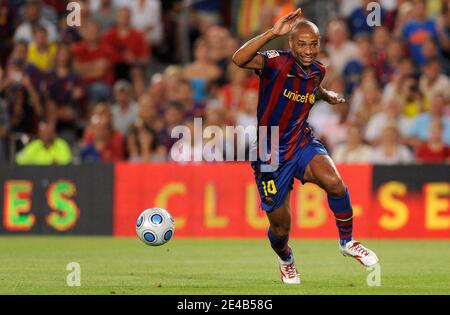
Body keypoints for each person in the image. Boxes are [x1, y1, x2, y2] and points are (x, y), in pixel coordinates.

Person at [232, 8, 378, 285]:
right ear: (291, 44)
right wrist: (272, 33)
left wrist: (327, 95)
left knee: (335, 183)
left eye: (313, 44)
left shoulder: (318, 70)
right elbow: (238, 59)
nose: (308, 50)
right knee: (281, 227)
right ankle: (286, 258)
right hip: (270, 152)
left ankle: (347, 241)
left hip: (301, 142)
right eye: (302, 44)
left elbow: (313, 88)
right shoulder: (275, 63)